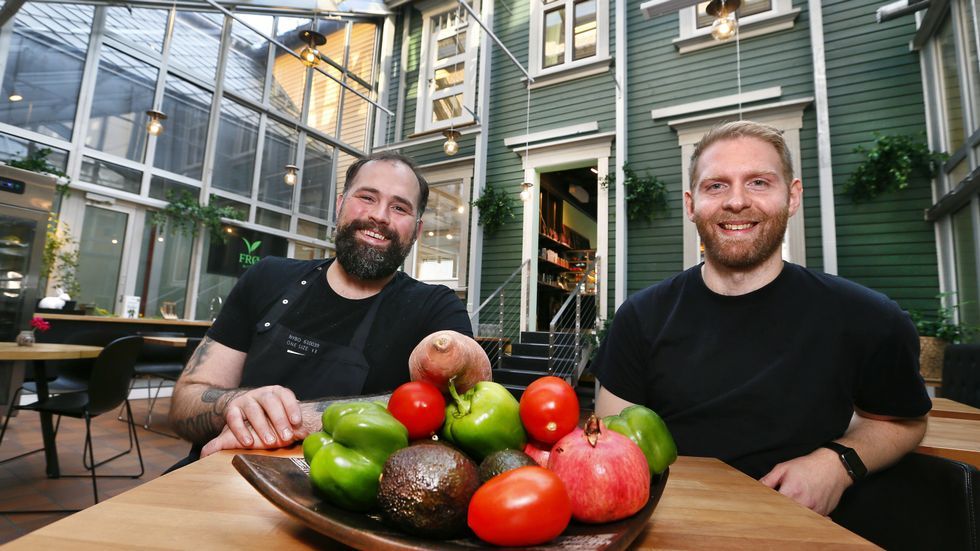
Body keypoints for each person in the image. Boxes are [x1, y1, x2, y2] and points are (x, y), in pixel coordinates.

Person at [593, 120, 931, 516]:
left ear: (792, 196)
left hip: (801, 528)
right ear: (691, 205)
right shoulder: (640, 317)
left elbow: (904, 422)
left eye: (758, 182)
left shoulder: (868, 317)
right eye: (715, 185)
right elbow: (607, 446)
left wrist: (838, 463)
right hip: (669, 524)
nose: (736, 201)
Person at [170, 151, 473, 458]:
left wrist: (294, 421)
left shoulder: (434, 307)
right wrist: (232, 405)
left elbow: (456, 404)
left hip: (338, 485)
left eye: (399, 207)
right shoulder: (267, 276)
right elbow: (186, 400)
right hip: (217, 471)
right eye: (367, 197)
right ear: (339, 205)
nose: (380, 215)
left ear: (417, 231)